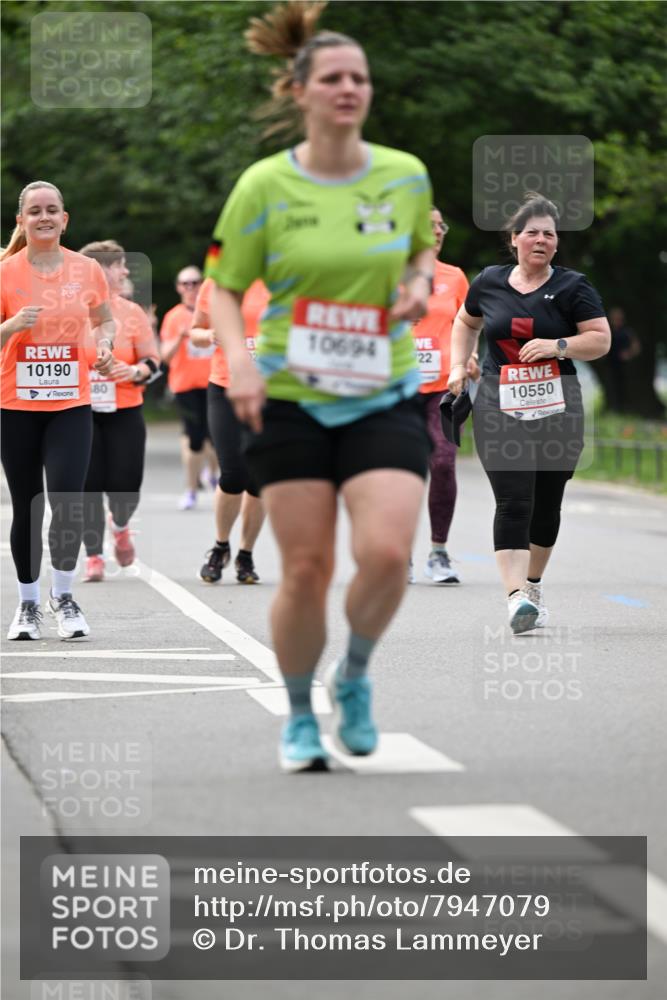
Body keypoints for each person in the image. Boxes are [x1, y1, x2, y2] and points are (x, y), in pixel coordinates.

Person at [205, 2, 435, 771]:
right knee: (306, 569)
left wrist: (417, 282)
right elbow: (224, 287)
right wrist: (239, 363)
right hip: (289, 396)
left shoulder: (403, 175)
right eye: (332, 78)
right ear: (299, 90)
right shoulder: (264, 185)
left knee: (387, 553)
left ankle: (354, 674)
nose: (348, 89)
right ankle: (300, 713)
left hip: (381, 388)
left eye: (359, 78)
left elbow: (417, 254)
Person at [447, 192, 611, 634]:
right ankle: (516, 597)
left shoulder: (574, 287)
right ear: (514, 239)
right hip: (499, 404)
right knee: (514, 499)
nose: (541, 240)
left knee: (547, 501)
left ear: (556, 243)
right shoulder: (489, 282)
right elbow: (465, 322)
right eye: (533, 233)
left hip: (559, 407)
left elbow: (600, 339)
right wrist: (458, 365)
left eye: (550, 235)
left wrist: (559, 345)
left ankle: (533, 585)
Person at [0, 181, 115, 640]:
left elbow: (104, 320)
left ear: (64, 220)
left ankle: (64, 598)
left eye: (52, 210)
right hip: (16, 405)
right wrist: (11, 325)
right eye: (35, 211)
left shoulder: (86, 269)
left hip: (70, 403)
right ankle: (28, 604)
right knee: (28, 507)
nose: (44, 217)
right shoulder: (5, 272)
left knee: (67, 502)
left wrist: (104, 344)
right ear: (21, 221)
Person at [78, 240, 161, 582]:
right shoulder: (70, 311)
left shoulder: (131, 312)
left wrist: (134, 371)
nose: (126, 271)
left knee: (127, 483)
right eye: (119, 265)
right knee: (88, 485)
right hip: (81, 410)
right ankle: (94, 556)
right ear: (100, 270)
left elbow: (152, 360)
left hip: (125, 407)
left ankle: (122, 525)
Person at [411, 207, 478, 584]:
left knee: (442, 462)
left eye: (441, 226)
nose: (438, 231)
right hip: (397, 388)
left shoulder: (454, 277)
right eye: (430, 226)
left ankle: (438, 552)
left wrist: (469, 357)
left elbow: (470, 323)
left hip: (444, 386)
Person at [190, 277, 269, 584]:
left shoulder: (284, 274)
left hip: (270, 390)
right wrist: (210, 334)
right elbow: (195, 332)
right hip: (225, 386)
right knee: (234, 473)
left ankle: (246, 554)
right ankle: (220, 546)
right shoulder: (217, 282)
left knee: (259, 478)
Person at [159, 265, 218, 509]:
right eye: (186, 284)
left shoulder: (215, 311)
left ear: (202, 284)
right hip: (185, 386)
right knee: (195, 438)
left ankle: (213, 475)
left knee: (215, 437)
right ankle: (191, 489)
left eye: (195, 282)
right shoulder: (174, 317)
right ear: (178, 288)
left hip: (215, 382)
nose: (191, 288)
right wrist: (181, 337)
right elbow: (164, 356)